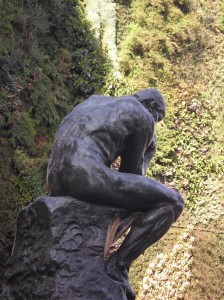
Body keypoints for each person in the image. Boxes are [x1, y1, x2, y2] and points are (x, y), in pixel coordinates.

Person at [47, 88, 184, 268]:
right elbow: (132, 173)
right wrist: (149, 152)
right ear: (153, 106)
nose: (154, 124)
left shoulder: (94, 100)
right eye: (157, 119)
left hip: (54, 180)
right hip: (85, 176)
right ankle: (117, 267)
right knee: (173, 203)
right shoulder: (143, 116)